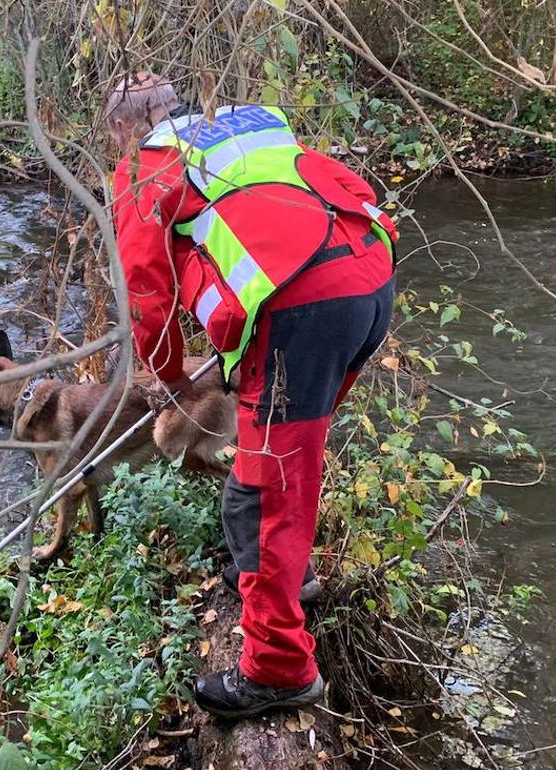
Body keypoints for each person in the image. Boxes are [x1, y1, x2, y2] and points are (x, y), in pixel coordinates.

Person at [106, 72, 397, 718]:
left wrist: (168, 374)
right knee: (289, 466)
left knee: (256, 496)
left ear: (126, 128)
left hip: (304, 307)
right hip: (369, 279)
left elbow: (147, 288)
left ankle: (278, 668)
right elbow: (303, 202)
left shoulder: (145, 167)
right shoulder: (242, 123)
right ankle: (295, 584)